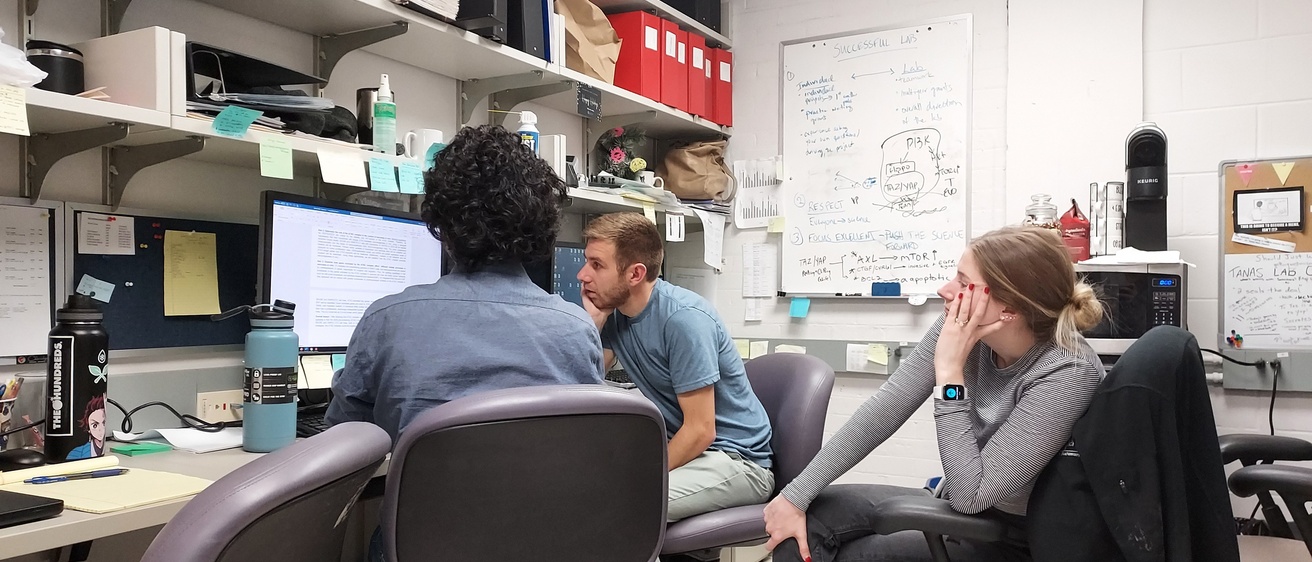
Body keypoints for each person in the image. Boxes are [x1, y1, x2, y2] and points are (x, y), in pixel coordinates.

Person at [763, 226, 1106, 562]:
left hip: (1011, 537)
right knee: (807, 521)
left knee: (856, 555)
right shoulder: (961, 326)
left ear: (1008, 309)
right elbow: (887, 406)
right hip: (954, 504)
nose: (945, 290)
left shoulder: (1068, 372)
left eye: (962, 282)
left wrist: (949, 375)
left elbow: (972, 495)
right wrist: (794, 496)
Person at [326, 124, 605, 442]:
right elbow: (586, 444)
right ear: (541, 227)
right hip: (542, 492)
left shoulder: (385, 321)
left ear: (442, 227)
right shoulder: (577, 330)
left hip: (425, 492)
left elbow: (342, 444)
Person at [578, 212, 775, 529]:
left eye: (596, 265)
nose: (582, 275)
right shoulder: (617, 315)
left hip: (739, 463)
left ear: (635, 274)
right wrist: (595, 321)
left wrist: (645, 471)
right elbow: (585, 381)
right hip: (696, 454)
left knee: (625, 505)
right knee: (579, 488)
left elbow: (701, 430)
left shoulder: (683, 319)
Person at [67, 395, 106, 460]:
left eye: (103, 423)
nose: (100, 429)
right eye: (95, 425)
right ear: (89, 429)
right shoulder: (75, 454)